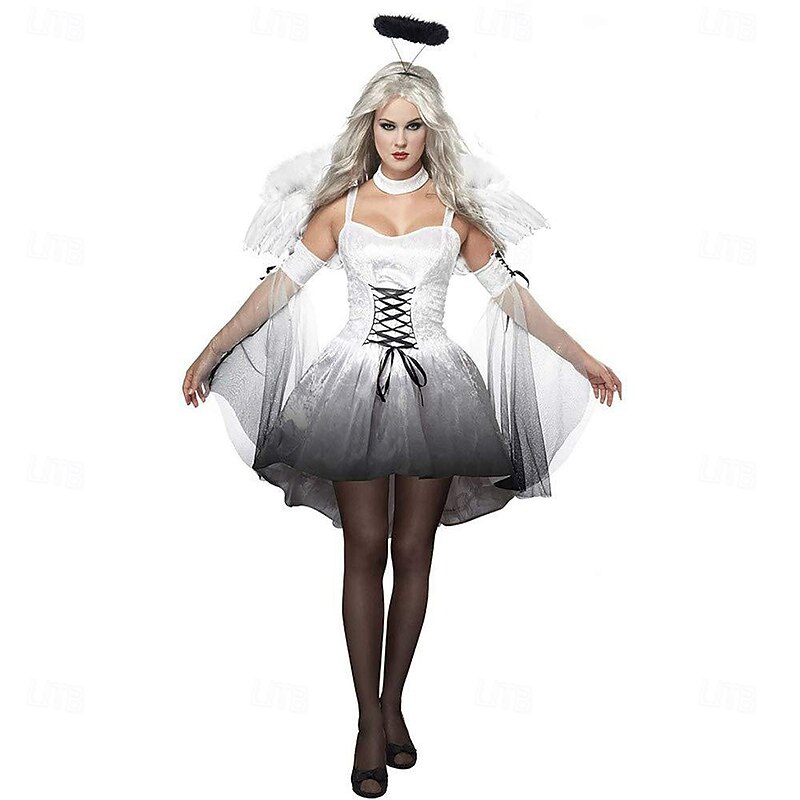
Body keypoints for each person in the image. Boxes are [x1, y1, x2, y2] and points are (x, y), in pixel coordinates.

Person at [183, 19, 621, 798]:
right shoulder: (340, 211)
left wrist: (585, 357)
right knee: (364, 549)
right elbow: (276, 291)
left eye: (413, 126)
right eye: (387, 125)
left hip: (437, 389)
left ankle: (392, 704)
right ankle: (364, 720)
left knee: (415, 552)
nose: (399, 139)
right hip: (353, 385)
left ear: (431, 132)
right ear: (369, 128)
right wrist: (211, 350)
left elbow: (512, 299)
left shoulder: (455, 214)